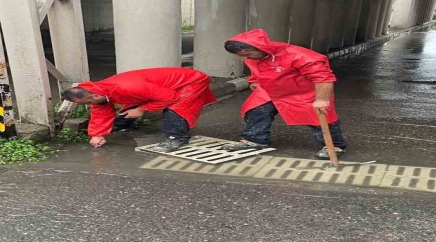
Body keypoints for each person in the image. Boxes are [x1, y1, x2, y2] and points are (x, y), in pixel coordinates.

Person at [220, 29, 347, 159]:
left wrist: (322, 99)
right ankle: (255, 139)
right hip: (270, 90)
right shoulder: (252, 55)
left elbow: (323, 78)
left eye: (247, 54)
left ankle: (335, 145)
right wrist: (254, 81)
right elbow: (256, 70)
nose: (244, 58)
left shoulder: (301, 56)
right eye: (240, 56)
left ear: (260, 48)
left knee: (319, 116)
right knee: (256, 110)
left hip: (303, 92)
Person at [60, 67, 216, 152]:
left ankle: (177, 139)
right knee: (128, 109)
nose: (88, 105)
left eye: (85, 102)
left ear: (93, 96)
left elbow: (171, 97)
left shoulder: (127, 87)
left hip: (191, 81)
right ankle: (123, 126)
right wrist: (96, 134)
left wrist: (142, 108)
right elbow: (101, 112)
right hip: (158, 88)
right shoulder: (99, 92)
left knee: (175, 109)